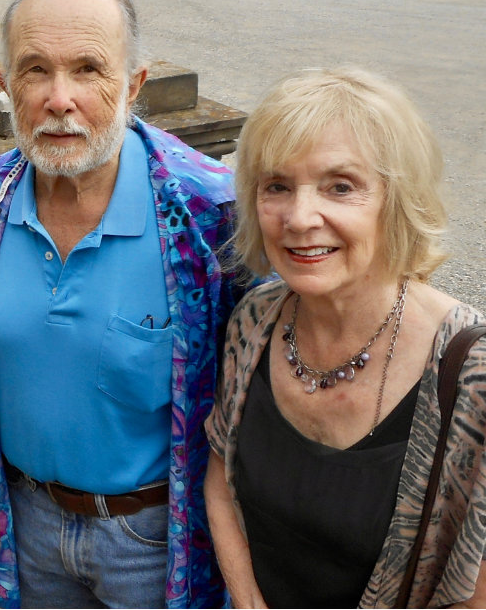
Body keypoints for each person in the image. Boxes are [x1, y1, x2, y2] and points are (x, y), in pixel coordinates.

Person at [0, 0, 239, 608]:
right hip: (22, 528)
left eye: (88, 70)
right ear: (5, 84)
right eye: (35, 70)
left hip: (153, 540)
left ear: (134, 84)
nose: (59, 98)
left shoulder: (208, 215)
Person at [204, 67, 486, 608]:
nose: (299, 218)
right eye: (277, 186)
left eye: (340, 186)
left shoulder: (471, 374)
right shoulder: (254, 320)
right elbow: (220, 482)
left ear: (396, 200)